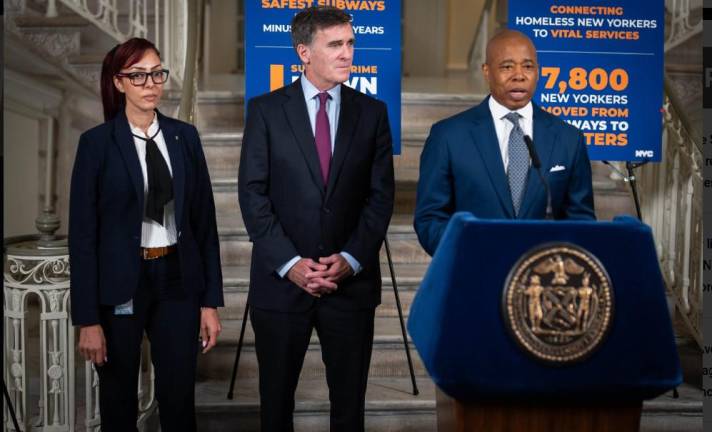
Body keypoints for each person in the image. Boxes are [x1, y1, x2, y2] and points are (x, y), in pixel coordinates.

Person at [238, 6, 394, 431]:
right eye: (335, 45)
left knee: (349, 409)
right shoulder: (266, 111)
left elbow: (381, 198)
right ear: (304, 52)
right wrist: (290, 264)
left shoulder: (373, 113)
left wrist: (352, 258)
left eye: (350, 43)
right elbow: (253, 196)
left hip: (350, 287)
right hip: (281, 286)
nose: (347, 54)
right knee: (276, 407)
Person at [69, 37, 223, 432]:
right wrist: (87, 319)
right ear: (118, 83)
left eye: (157, 73)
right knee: (118, 399)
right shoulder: (96, 145)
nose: (151, 83)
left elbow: (204, 224)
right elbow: (83, 237)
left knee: (178, 397)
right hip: (122, 283)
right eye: (138, 76)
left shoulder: (184, 137)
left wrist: (209, 302)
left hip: (177, 278)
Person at [414, 30, 595, 256]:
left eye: (528, 66)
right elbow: (430, 218)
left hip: (543, 280)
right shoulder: (448, 136)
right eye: (507, 66)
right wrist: (469, 253)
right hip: (472, 273)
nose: (519, 75)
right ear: (487, 72)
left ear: (538, 73)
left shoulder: (569, 138)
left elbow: (582, 220)